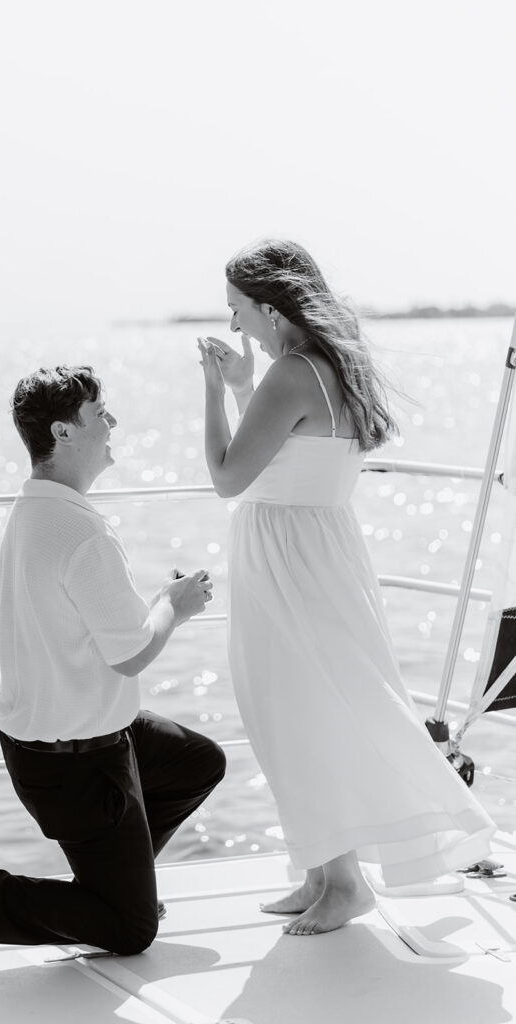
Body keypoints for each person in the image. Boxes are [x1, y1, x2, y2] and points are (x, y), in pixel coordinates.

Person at [197, 238, 495, 937]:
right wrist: (244, 386)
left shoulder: (291, 375)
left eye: (238, 311)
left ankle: (341, 883)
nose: (234, 326)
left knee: (292, 712)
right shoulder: (331, 365)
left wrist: (213, 391)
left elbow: (227, 477)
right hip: (321, 550)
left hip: (285, 558)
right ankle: (321, 873)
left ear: (270, 309)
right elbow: (288, 450)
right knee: (311, 708)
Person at [0, 364, 225, 976]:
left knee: (198, 762)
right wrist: (175, 604)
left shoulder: (33, 507)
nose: (112, 424)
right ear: (63, 431)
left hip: (74, 739)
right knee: (130, 931)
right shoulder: (81, 531)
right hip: (77, 762)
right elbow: (132, 652)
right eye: (98, 413)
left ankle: (119, 879)